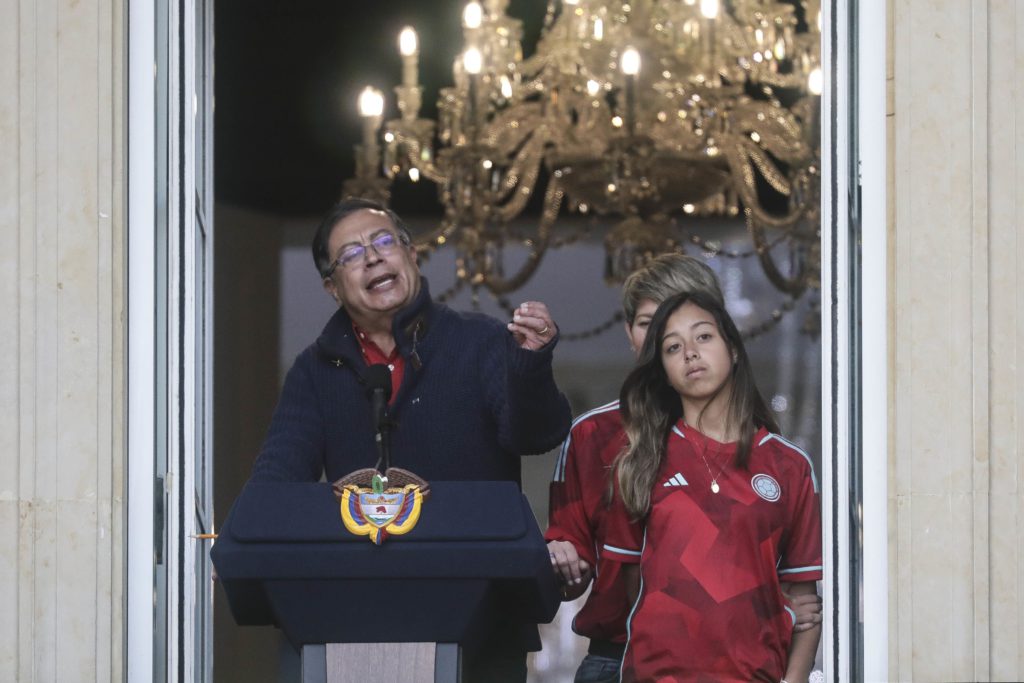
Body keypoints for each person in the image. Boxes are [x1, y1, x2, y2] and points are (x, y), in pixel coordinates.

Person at [248, 197, 573, 682]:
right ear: (333, 287)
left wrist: (530, 365)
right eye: (351, 254)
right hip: (357, 618)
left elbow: (535, 434)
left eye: (383, 241)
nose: (372, 257)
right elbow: (280, 472)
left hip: (484, 615)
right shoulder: (315, 371)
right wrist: (247, 534)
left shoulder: (480, 340)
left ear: (411, 255)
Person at [545, 254, 821, 682]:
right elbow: (599, 576)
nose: (688, 351)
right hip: (628, 660)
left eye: (701, 333)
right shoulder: (614, 444)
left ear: (728, 340)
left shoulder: (781, 461)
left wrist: (769, 612)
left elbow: (800, 596)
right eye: (663, 336)